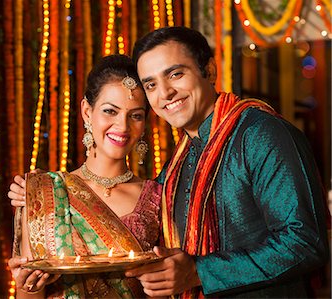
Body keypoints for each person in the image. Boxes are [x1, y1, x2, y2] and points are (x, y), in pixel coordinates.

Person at [121, 26, 329, 298]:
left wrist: (198, 272)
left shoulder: (262, 134)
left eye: (175, 74)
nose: (165, 93)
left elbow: (304, 242)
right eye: (151, 85)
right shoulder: (178, 163)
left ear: (209, 71)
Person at [10, 54, 162, 298]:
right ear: (87, 111)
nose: (122, 126)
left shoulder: (158, 197)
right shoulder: (44, 191)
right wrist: (27, 285)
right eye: (110, 111)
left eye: (135, 115)